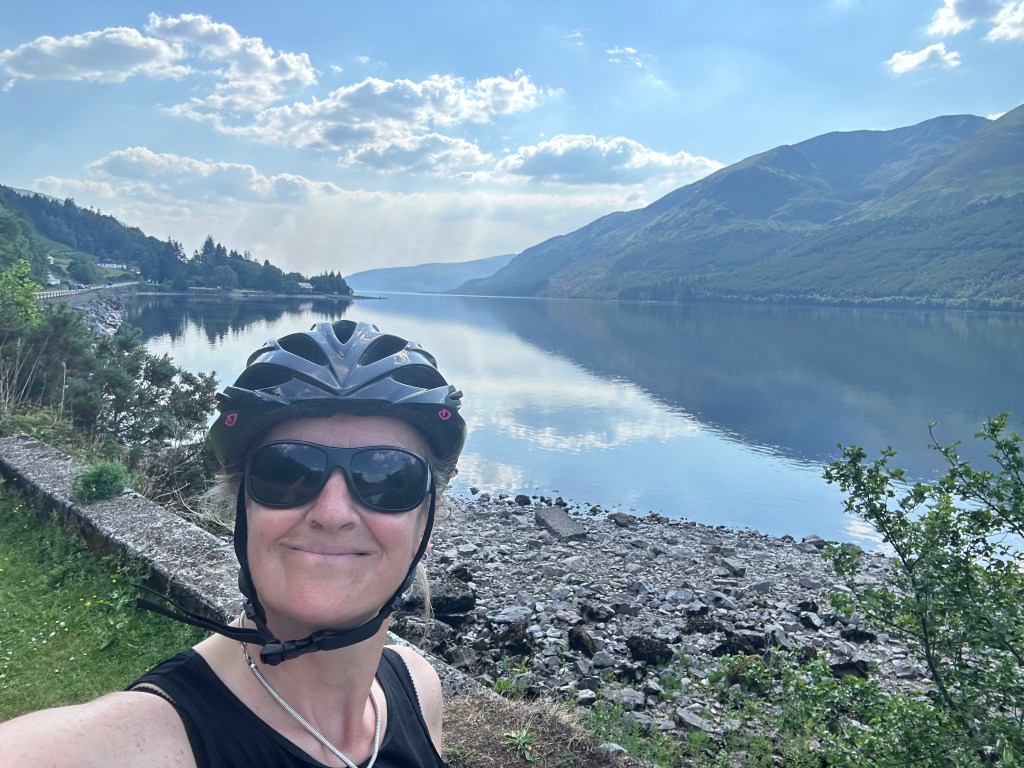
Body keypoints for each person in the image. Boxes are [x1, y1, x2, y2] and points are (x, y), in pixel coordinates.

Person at [0, 319, 466, 768]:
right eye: (286, 471)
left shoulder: (417, 689)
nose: (331, 513)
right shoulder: (142, 742)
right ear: (242, 511)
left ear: (425, 525)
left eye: (389, 477)